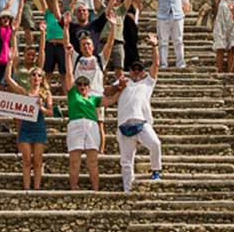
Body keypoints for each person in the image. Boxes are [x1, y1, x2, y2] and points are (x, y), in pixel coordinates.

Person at [104, 33, 161, 192]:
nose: (136, 72)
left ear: (143, 72)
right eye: (133, 69)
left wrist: (154, 46)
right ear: (130, 71)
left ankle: (156, 170)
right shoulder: (123, 81)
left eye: (139, 69)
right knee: (126, 161)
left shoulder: (147, 83)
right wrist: (118, 86)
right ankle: (127, 190)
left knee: (155, 144)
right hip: (123, 124)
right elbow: (107, 91)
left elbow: (156, 65)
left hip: (142, 123)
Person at [8, 60, 54, 191]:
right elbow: (8, 79)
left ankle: (37, 188)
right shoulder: (24, 92)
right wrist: (10, 62)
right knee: (27, 161)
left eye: (39, 75)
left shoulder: (46, 94)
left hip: (39, 129)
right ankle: (27, 188)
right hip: (25, 129)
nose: (36, 77)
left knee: (38, 161)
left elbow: (50, 112)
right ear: (30, 77)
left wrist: (42, 108)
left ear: (42, 78)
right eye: (34, 74)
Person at [60, 58, 102, 191]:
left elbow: (110, 99)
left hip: (91, 125)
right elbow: (69, 74)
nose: (82, 86)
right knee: (74, 160)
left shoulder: (94, 99)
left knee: (93, 161)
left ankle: (96, 189)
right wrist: (67, 55)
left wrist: (121, 88)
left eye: (85, 84)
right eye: (79, 84)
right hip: (76, 124)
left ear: (89, 87)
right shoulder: (73, 94)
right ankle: (73, 188)